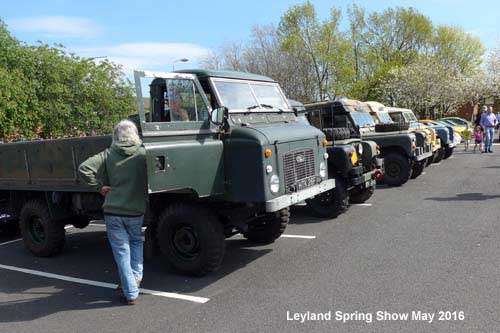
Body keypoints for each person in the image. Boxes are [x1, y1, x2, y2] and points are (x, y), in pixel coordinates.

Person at [78, 120, 147, 305]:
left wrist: (99, 187)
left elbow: (84, 168)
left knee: (122, 253)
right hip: (136, 210)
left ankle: (131, 292)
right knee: (136, 243)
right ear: (135, 134)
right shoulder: (143, 154)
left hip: (113, 211)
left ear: (115, 135)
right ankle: (135, 278)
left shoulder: (108, 154)